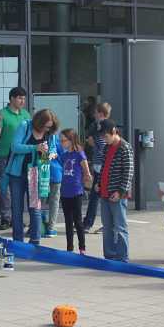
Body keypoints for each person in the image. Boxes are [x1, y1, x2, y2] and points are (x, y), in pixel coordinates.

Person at [1, 109, 59, 246]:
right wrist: (35, 148)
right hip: (18, 173)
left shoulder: (50, 133)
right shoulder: (25, 126)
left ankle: (35, 241)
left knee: (35, 208)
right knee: (17, 208)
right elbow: (15, 147)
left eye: (50, 127)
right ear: (39, 122)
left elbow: (53, 151)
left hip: (35, 174)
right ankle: (18, 242)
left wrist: (50, 155)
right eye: (45, 126)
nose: (47, 129)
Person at [0, 87, 31, 231]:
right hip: (6, 155)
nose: (22, 101)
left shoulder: (26, 114)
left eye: (24, 99)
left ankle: (17, 218)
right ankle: (5, 218)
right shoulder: (1, 114)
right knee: (6, 188)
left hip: (22, 156)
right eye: (20, 98)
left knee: (19, 187)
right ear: (12, 99)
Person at [98, 120, 134, 262]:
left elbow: (128, 172)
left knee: (120, 225)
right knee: (107, 226)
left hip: (117, 194)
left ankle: (122, 256)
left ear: (114, 132)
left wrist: (120, 191)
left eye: (106, 136)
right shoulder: (107, 148)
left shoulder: (124, 147)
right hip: (105, 192)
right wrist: (98, 183)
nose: (104, 139)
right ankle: (109, 255)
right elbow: (103, 167)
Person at [58, 128, 92, 254]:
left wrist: (87, 176)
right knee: (67, 221)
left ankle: (82, 247)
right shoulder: (64, 155)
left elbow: (85, 168)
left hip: (76, 191)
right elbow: (54, 158)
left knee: (78, 221)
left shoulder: (79, 154)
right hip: (65, 192)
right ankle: (69, 248)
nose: (61, 143)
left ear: (71, 140)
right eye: (60, 141)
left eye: (63, 141)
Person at [82, 101, 112, 232]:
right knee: (96, 196)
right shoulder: (96, 127)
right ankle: (88, 223)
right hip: (98, 165)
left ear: (100, 113)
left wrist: (93, 143)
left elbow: (104, 149)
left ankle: (101, 224)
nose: (94, 115)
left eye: (96, 113)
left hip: (103, 167)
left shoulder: (104, 129)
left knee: (102, 197)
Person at [43, 132, 65, 238]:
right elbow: (63, 155)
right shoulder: (57, 139)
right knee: (54, 201)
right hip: (56, 173)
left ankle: (39, 226)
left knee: (39, 201)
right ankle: (50, 228)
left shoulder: (38, 136)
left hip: (42, 173)